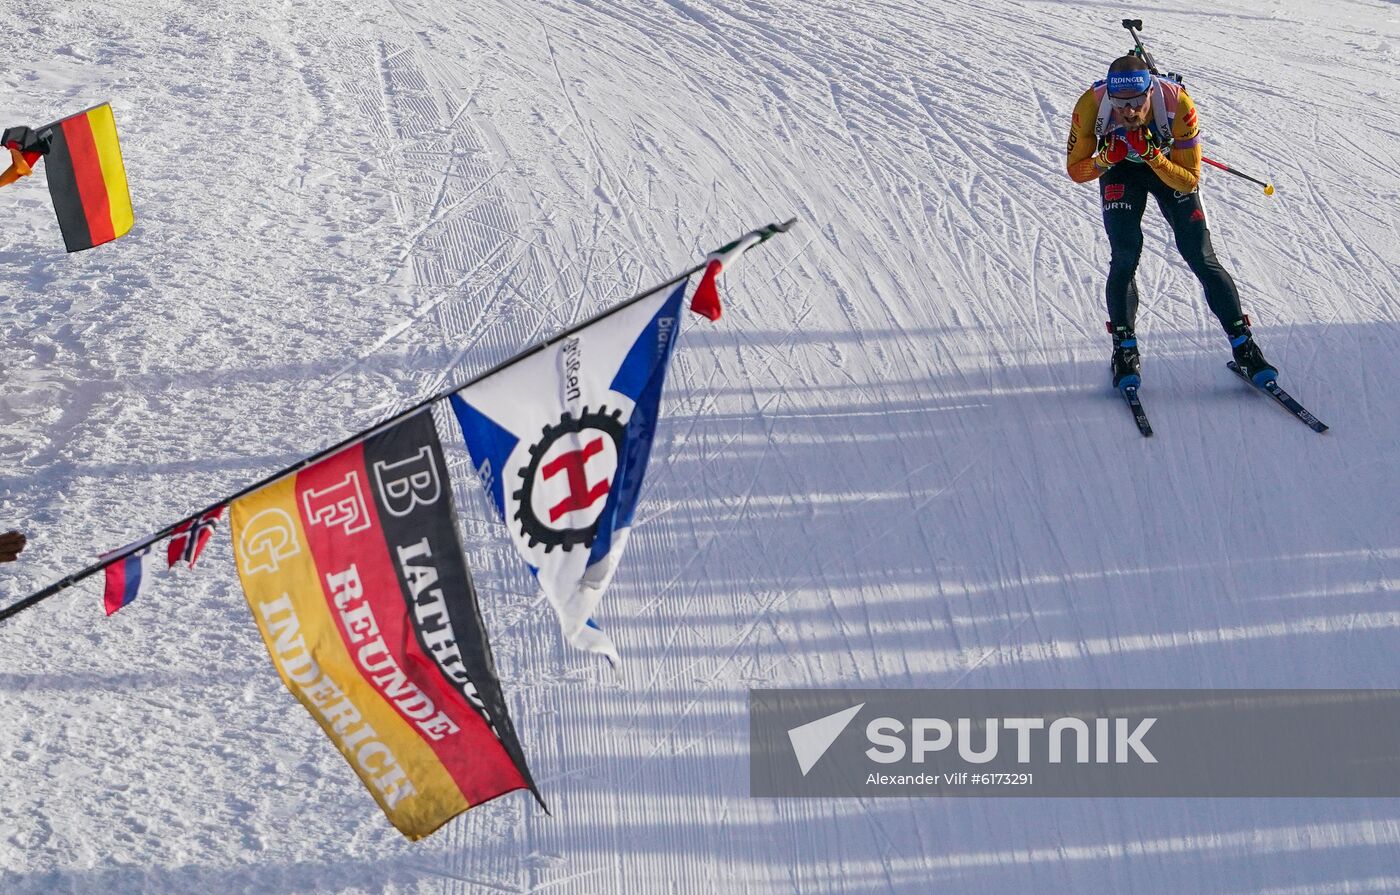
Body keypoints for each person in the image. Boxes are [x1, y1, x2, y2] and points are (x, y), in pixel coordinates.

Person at [1065, 54, 1276, 389]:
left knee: (1200, 255)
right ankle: (1124, 349)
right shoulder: (1091, 106)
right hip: (1119, 169)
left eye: (1136, 102)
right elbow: (1076, 170)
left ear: (1151, 91)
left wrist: (1153, 157)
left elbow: (1189, 180)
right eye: (1120, 105)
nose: (1129, 112)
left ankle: (1244, 345)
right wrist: (1106, 159)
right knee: (1125, 255)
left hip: (1169, 168)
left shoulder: (1178, 104)